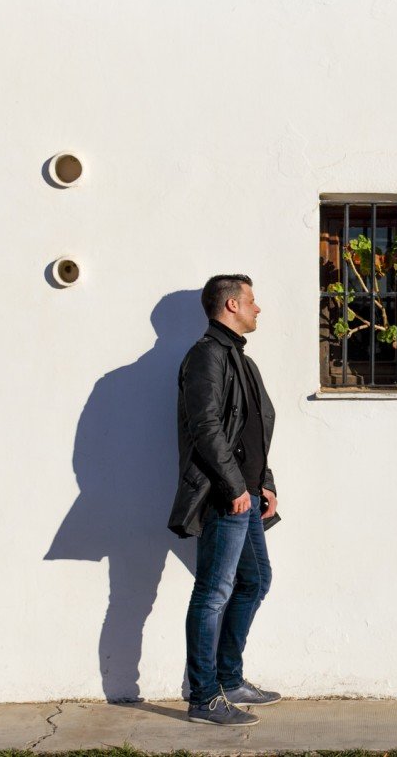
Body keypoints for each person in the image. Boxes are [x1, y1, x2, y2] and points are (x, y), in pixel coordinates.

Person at [167, 274, 281, 727]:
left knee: (254, 582)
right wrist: (234, 486)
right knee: (213, 592)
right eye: (252, 300)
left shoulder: (239, 359)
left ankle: (229, 678)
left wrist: (263, 481)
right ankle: (203, 697)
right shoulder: (206, 357)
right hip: (223, 495)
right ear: (231, 304)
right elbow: (206, 427)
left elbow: (252, 430)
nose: (259, 308)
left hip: (247, 494)